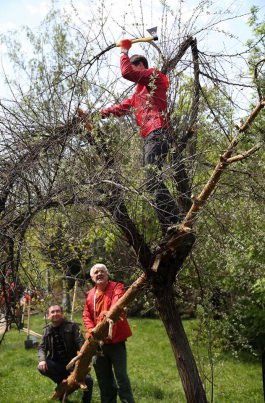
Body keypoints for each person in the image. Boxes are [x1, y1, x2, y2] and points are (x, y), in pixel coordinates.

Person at [78, 39, 179, 233]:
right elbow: (119, 108)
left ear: (140, 66)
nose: (133, 72)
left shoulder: (154, 75)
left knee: (152, 180)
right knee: (151, 181)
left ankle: (175, 222)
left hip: (158, 131)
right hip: (152, 136)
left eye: (134, 66)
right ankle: (170, 227)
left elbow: (126, 73)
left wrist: (124, 51)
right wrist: (93, 116)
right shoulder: (137, 95)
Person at [83, 263, 135, 403]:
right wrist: (92, 332)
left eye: (102, 272)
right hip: (98, 344)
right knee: (104, 379)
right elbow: (86, 316)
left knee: (121, 377)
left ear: (107, 275)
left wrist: (102, 319)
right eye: (96, 273)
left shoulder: (117, 287)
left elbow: (117, 305)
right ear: (92, 278)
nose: (99, 274)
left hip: (116, 341)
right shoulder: (90, 295)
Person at [37, 304, 93, 403]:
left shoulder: (72, 326)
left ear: (62, 314)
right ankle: (61, 383)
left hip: (74, 364)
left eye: (58, 311)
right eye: (52, 312)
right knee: (40, 367)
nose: (55, 314)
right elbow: (41, 347)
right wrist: (42, 360)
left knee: (88, 380)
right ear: (48, 315)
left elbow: (82, 344)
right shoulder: (46, 330)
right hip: (57, 365)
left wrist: (83, 361)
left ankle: (86, 401)